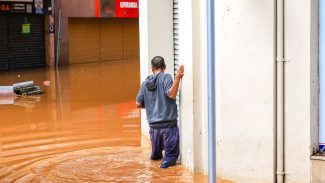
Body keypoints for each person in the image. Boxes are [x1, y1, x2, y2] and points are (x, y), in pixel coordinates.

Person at [136, 56, 184, 169]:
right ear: (165, 67)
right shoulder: (166, 77)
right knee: (168, 161)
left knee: (155, 158)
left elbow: (138, 104)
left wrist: (150, 105)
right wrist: (177, 78)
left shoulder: (145, 83)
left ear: (152, 68)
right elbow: (171, 94)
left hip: (153, 128)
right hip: (168, 127)